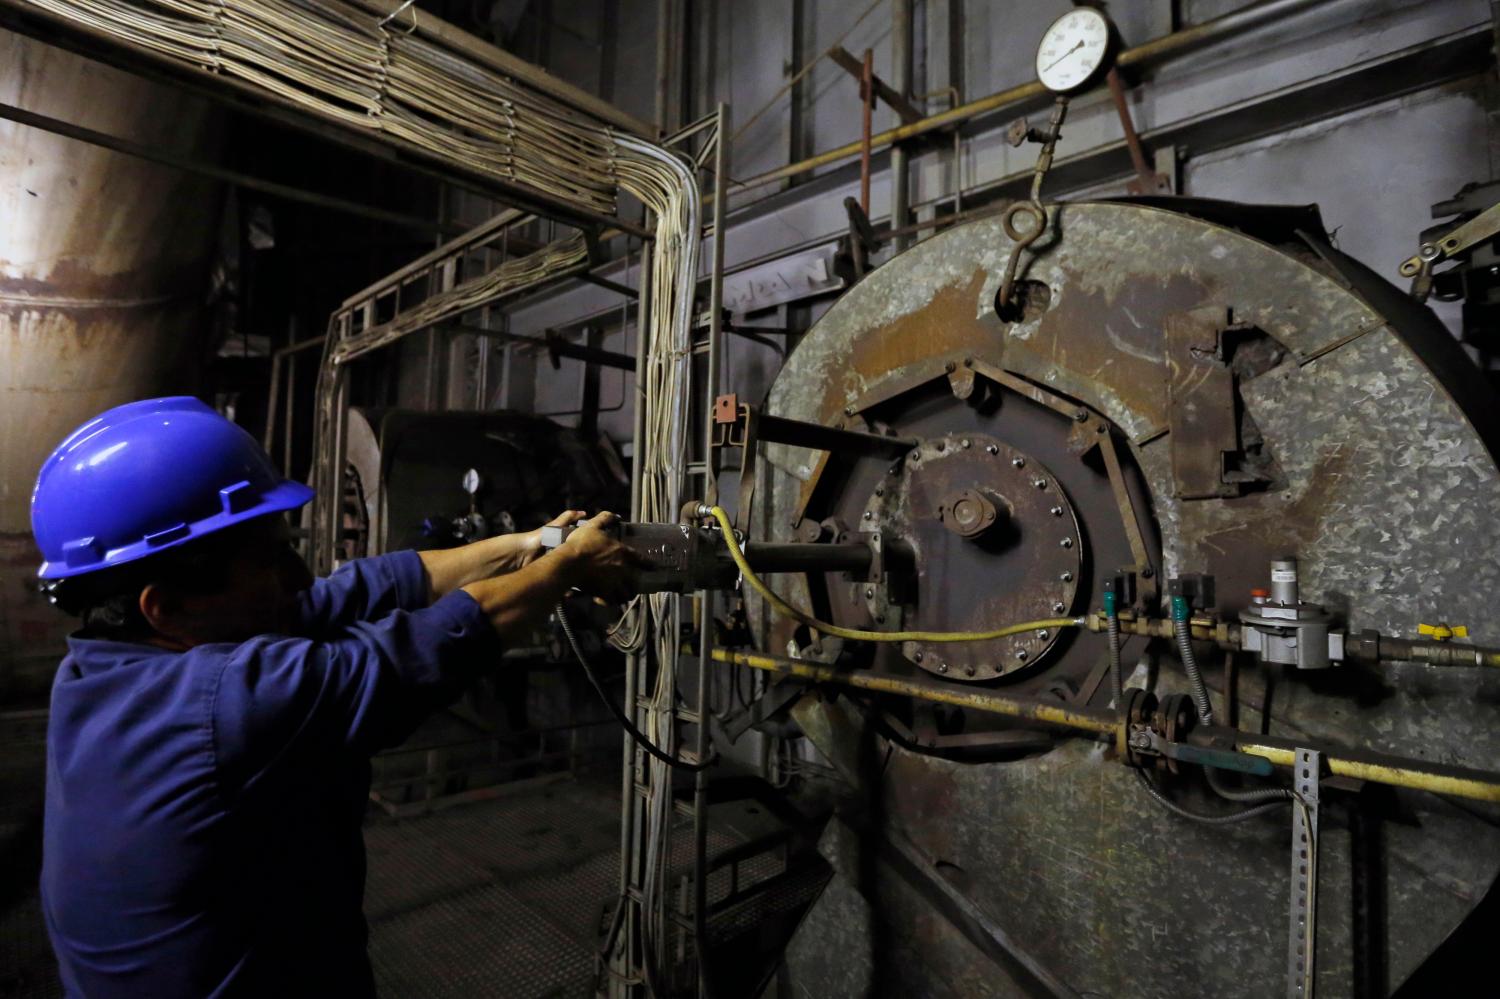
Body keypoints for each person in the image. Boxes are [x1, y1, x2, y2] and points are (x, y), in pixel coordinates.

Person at [30, 396, 643, 998]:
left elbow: (352, 591)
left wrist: (529, 545)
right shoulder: (209, 709)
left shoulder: (100, 668)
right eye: (267, 560)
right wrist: (570, 569)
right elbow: (416, 651)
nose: (296, 577)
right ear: (164, 605)